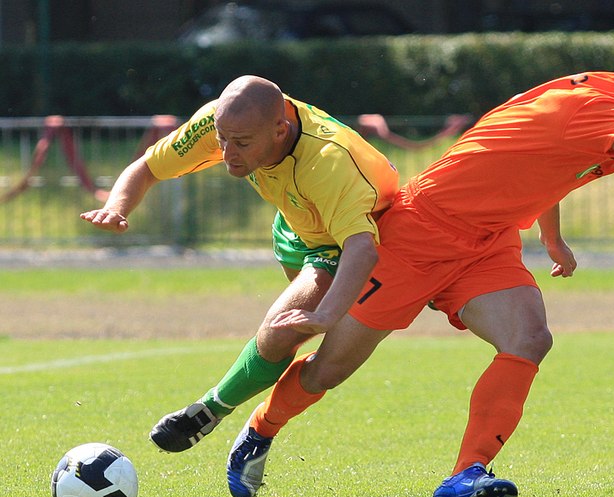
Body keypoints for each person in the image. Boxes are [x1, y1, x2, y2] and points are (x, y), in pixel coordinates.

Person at [229, 49, 614, 497]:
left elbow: (549, 164)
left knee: (529, 339)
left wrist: (551, 236)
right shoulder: (600, 104)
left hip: (486, 244)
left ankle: (464, 477)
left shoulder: (605, 114)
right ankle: (261, 430)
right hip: (420, 232)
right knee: (333, 367)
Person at [80, 76, 400, 461]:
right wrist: (117, 207)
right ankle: (250, 415)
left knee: (295, 343)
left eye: (242, 144)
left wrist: (326, 314)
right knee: (285, 339)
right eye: (223, 140)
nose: (228, 152)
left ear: (280, 130)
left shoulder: (329, 162)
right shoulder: (223, 122)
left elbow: (361, 248)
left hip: (367, 235)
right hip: (296, 224)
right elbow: (147, 167)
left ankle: (215, 412)